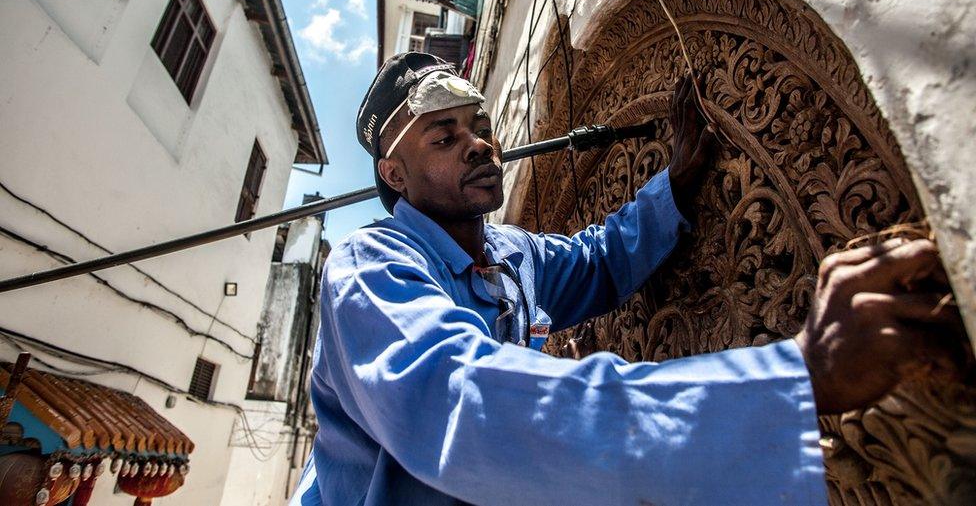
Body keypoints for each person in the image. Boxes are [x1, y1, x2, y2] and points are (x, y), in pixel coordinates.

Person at [294, 52, 955, 506]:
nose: (478, 144)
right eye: (443, 136)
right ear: (395, 176)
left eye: (481, 127)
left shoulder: (509, 251)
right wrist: (793, 377)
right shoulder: (371, 269)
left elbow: (597, 261)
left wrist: (673, 183)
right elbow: (471, 400)